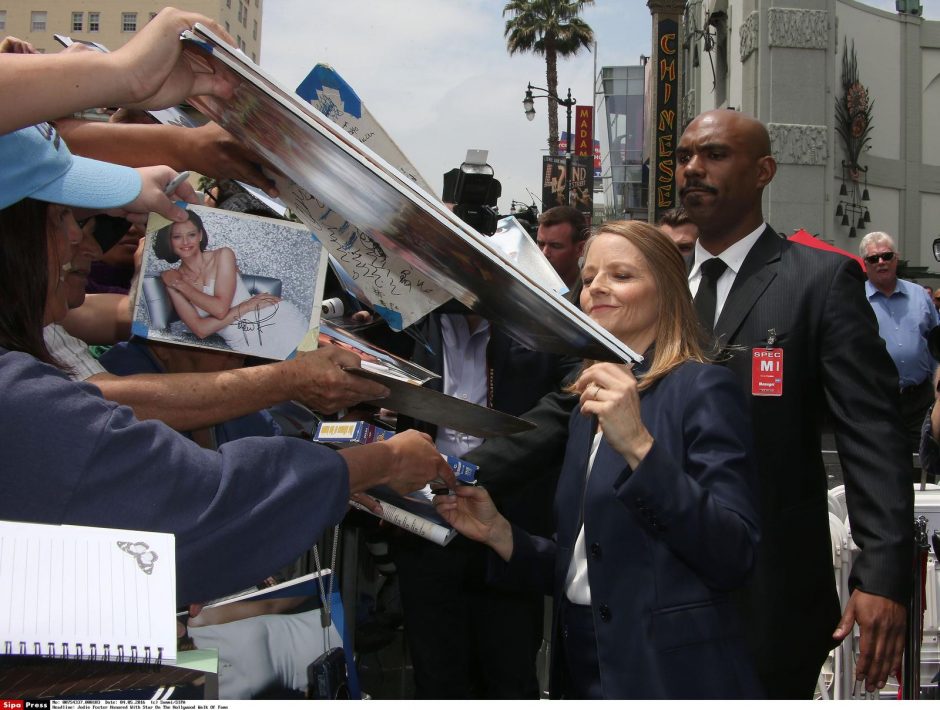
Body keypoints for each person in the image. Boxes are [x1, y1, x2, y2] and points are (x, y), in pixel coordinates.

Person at [0, 122, 455, 605]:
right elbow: (207, 507)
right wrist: (377, 462)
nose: (80, 240)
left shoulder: (246, 414)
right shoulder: (24, 398)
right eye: (60, 217)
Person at [435, 221, 762, 699]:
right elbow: (591, 568)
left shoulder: (701, 388)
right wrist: (502, 536)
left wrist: (640, 449)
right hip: (583, 667)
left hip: (670, 676)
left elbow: (734, 554)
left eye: (621, 275)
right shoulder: (588, 396)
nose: (596, 289)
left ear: (667, 292)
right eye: (588, 279)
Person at [676, 108, 913, 698]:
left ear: (764, 172)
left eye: (714, 155)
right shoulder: (654, 282)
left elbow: (872, 432)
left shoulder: (819, 281)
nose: (693, 170)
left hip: (769, 596)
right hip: (654, 588)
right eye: (683, 157)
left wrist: (883, 572)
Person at [152, 209, 309, 359]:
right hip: (244, 342)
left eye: (191, 234)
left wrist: (181, 285)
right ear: (169, 241)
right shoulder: (173, 281)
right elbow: (200, 330)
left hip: (277, 320)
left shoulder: (223, 255)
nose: (185, 242)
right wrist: (246, 306)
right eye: (177, 236)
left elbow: (220, 309)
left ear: (200, 235)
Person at [859, 231, 938, 451]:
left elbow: (935, 342)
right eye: (873, 258)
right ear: (865, 264)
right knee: (882, 468)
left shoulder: (920, 295)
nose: (881, 262)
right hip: (876, 401)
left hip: (920, 399)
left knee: (921, 470)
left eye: (886, 256)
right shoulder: (855, 300)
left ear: (897, 258)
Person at [535, 205, 587, 288]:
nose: (544, 253)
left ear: (581, 249)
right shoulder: (525, 284)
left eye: (555, 246)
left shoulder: (590, 296)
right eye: (541, 244)